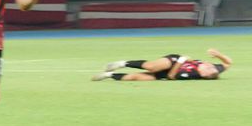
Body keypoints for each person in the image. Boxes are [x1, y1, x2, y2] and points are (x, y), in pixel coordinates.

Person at [91, 49, 232, 81]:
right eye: (210, 67)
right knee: (151, 66)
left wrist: (182, 61)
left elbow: (171, 76)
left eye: (207, 72)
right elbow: (228, 63)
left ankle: (108, 74)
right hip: (172, 60)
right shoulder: (217, 69)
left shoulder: (191, 74)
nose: (208, 67)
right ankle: (122, 63)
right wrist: (218, 54)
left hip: (175, 66)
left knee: (135, 77)